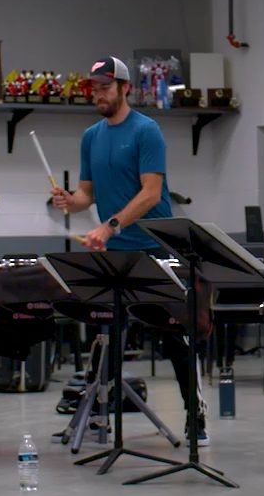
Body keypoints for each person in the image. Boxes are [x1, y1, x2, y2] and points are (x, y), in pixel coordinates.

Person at [51, 56, 207, 445]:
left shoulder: (146, 131)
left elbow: (151, 193)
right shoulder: (91, 136)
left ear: (124, 88)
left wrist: (111, 224)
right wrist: (71, 201)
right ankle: (98, 415)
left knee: (173, 334)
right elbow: (88, 193)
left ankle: (196, 416)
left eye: (105, 87)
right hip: (115, 252)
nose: (98, 94)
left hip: (156, 248)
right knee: (106, 333)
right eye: (94, 88)